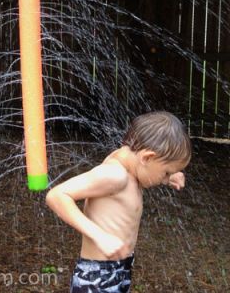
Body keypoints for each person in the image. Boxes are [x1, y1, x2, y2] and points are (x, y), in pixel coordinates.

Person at [46, 111, 191, 292]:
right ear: (146, 157)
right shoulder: (114, 175)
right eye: (166, 172)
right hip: (98, 276)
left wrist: (168, 177)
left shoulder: (132, 166)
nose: (165, 177)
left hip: (119, 269)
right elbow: (57, 195)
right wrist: (99, 235)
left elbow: (145, 173)